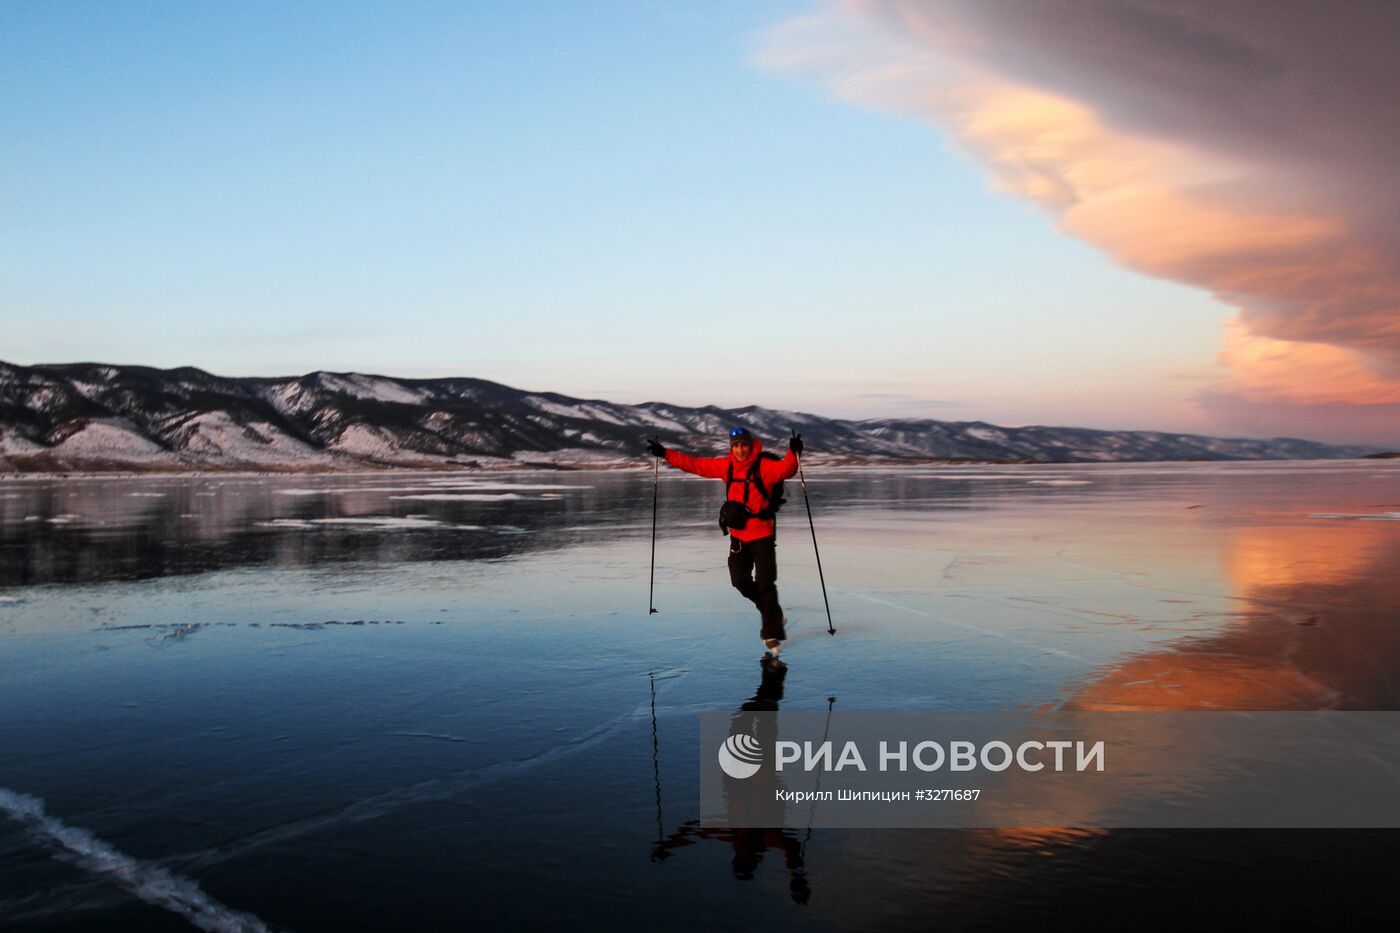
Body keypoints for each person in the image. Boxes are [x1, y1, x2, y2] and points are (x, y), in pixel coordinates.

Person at [646, 428, 804, 658]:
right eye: (736, 445)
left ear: (750, 446)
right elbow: (695, 464)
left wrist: (793, 452)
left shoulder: (764, 467)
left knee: (765, 584)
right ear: (731, 447)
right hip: (739, 536)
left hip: (762, 536)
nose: (740, 449)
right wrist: (666, 454)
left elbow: (787, 470)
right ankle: (773, 614)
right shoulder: (726, 466)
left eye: (744, 445)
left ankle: (771, 633)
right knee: (739, 581)